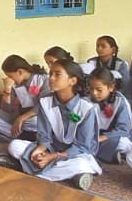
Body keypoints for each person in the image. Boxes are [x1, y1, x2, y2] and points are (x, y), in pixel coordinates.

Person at [8, 59, 101, 190]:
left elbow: (83, 146)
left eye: (58, 74)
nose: (51, 78)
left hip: (75, 154)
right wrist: (40, 149)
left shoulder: (86, 108)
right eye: (51, 74)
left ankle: (30, 171)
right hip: (51, 148)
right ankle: (71, 175)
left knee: (81, 164)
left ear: (72, 81)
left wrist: (53, 157)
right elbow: (44, 135)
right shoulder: (45, 102)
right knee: (14, 146)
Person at [87, 67, 132, 165]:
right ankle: (109, 155)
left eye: (99, 90)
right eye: (91, 88)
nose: (94, 93)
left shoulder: (120, 102)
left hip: (112, 137)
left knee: (122, 143)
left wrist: (104, 137)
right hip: (93, 136)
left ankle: (96, 153)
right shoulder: (86, 100)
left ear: (111, 87)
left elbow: (124, 129)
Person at [0, 54, 47, 139]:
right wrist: (7, 90)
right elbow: (7, 110)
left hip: (36, 118)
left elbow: (45, 105)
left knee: (35, 121)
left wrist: (22, 118)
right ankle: (18, 133)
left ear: (20, 72)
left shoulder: (43, 79)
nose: (9, 79)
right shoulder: (15, 84)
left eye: (10, 76)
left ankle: (18, 133)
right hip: (19, 118)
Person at [87, 35, 132, 99]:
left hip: (116, 97)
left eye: (103, 46)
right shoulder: (91, 62)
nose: (99, 49)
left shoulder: (121, 64)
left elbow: (126, 87)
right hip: (95, 95)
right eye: (97, 46)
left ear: (113, 49)